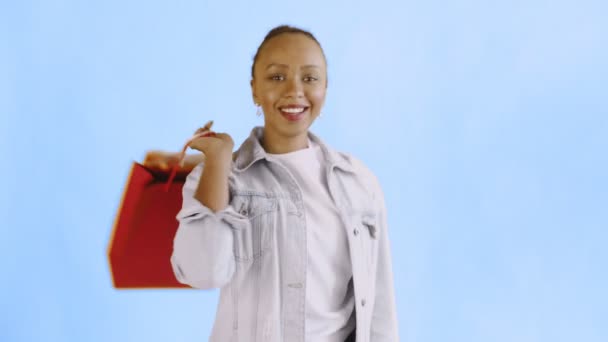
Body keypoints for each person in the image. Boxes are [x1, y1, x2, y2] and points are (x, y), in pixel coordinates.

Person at [171, 25, 399, 342]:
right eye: (277, 77)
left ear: (326, 88)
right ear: (254, 89)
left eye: (310, 78)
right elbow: (204, 272)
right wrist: (219, 159)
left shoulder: (358, 181)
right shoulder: (224, 175)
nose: (295, 90)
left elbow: (378, 304)